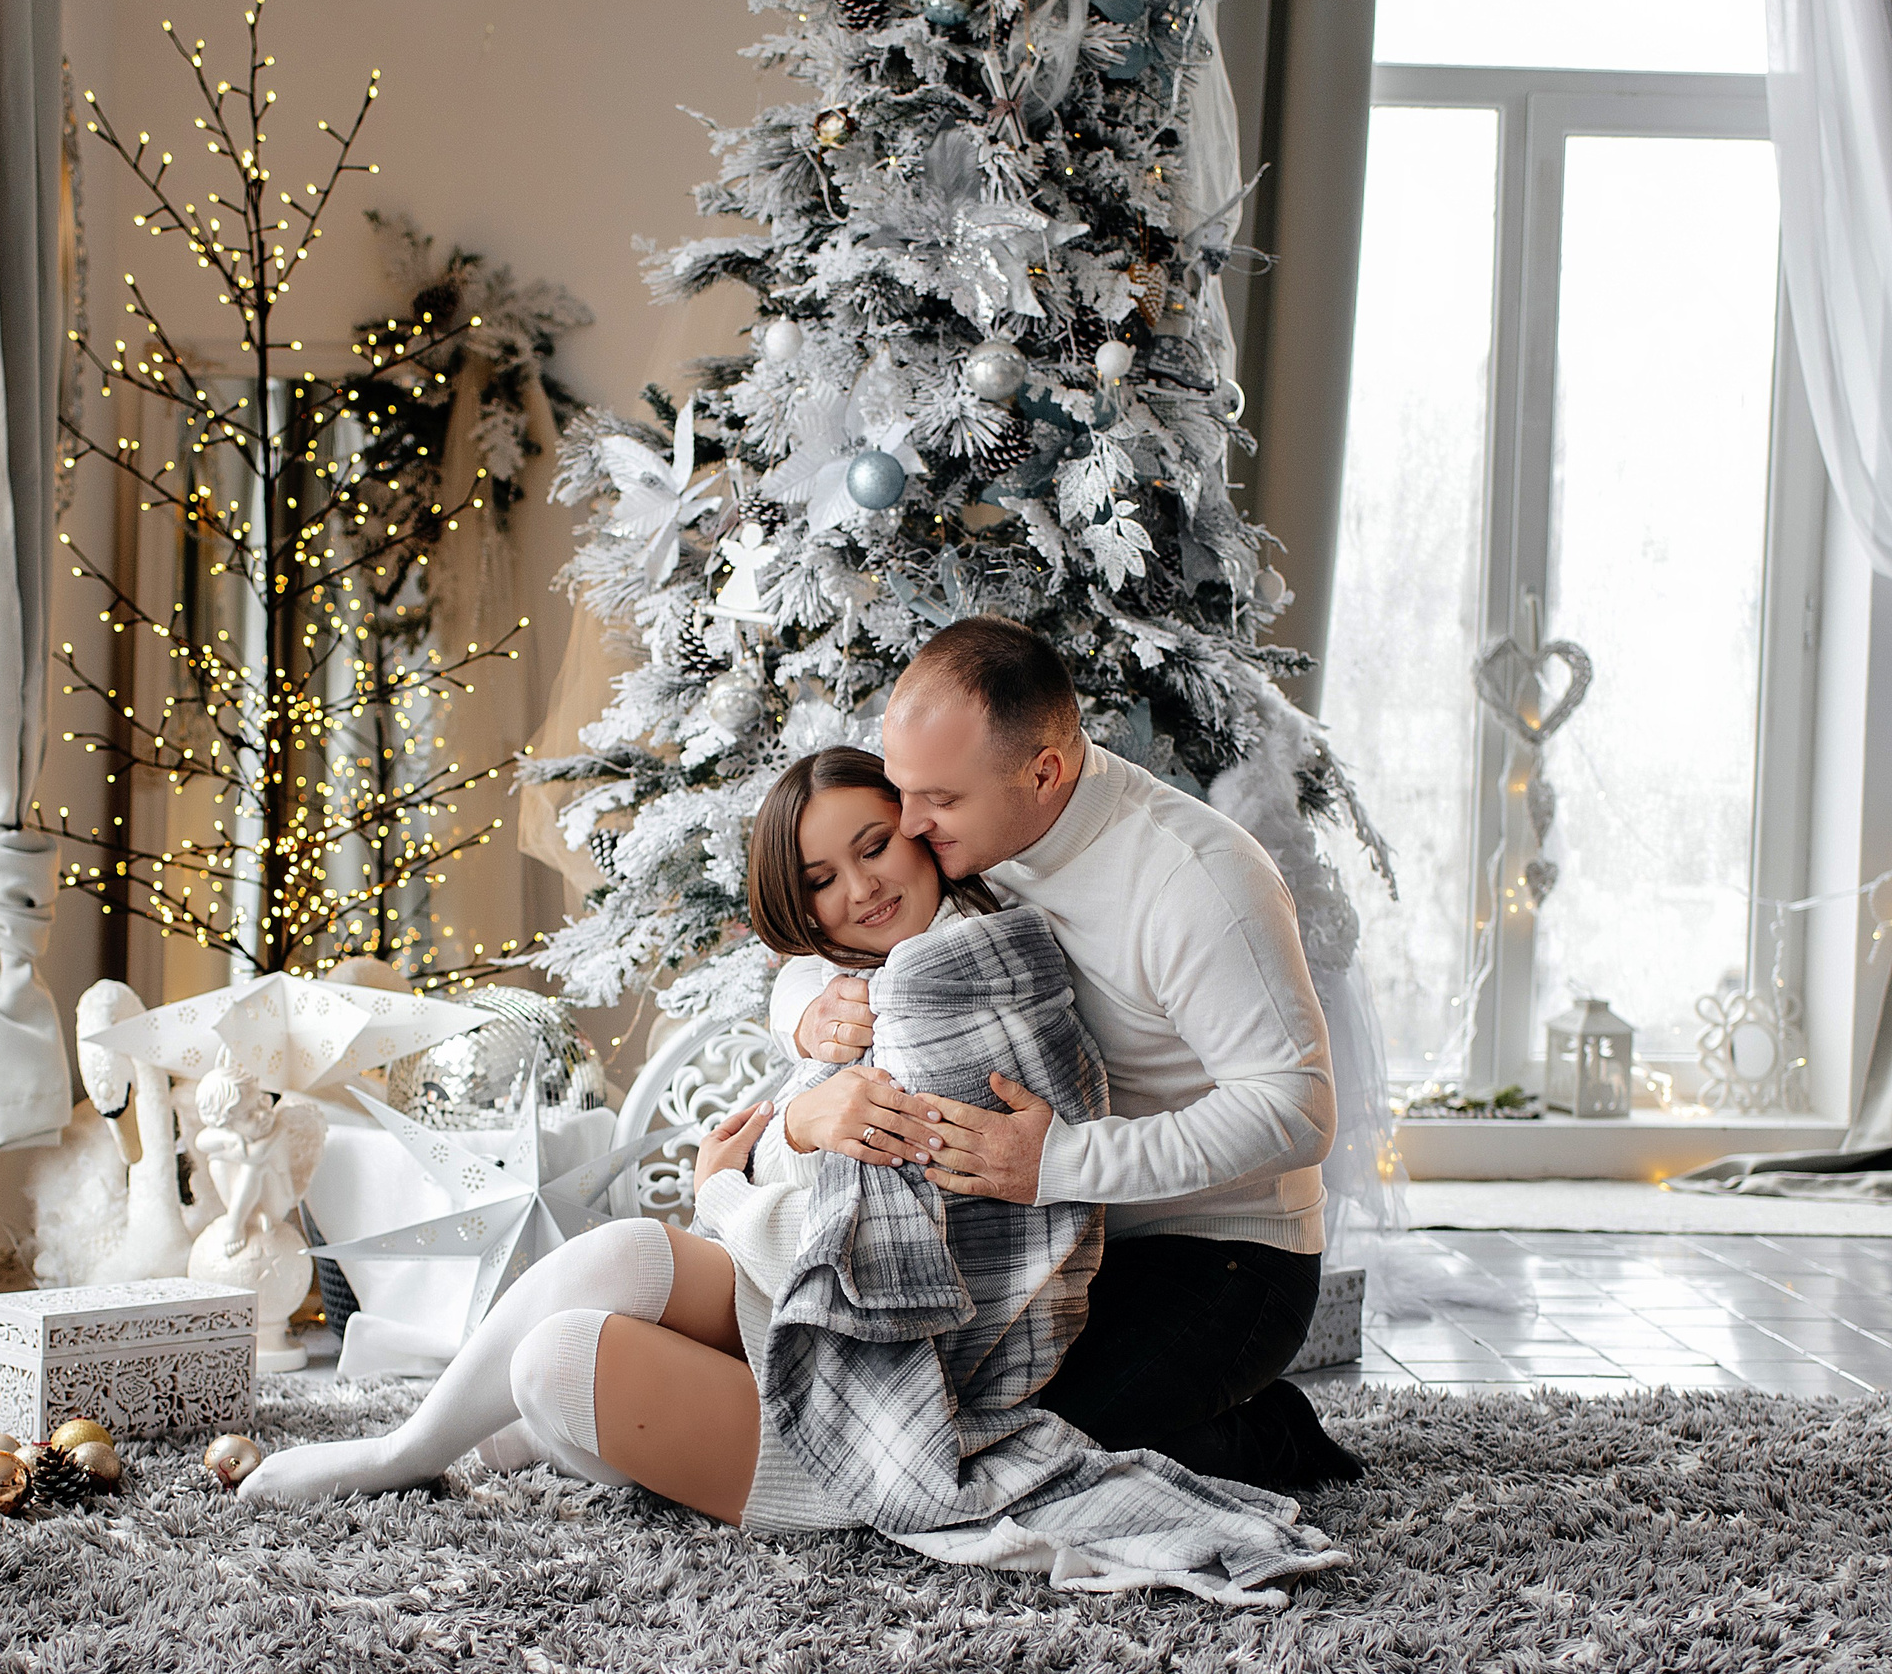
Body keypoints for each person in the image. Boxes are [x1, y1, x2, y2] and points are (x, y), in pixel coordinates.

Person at [241, 749, 1344, 1603]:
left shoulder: (947, 990)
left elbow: (877, 1266)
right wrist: (802, 1105)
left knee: (561, 1360)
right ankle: (407, 1448)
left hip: (902, 1387)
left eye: (877, 846)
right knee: (623, 1257)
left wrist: (729, 1188)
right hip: (853, 1325)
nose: (860, 890)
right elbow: (819, 1130)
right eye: (821, 878)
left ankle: (504, 1438)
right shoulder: (901, 969)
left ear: (924, 832)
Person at [771, 615, 1362, 1487]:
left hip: (1226, 1254)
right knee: (938, 1426)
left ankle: (1267, 1433)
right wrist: (804, 1014)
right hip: (1059, 1238)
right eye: (901, 789)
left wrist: (1059, 1160)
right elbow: (819, 944)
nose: (906, 822)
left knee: (1031, 1456)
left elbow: (1296, 1108)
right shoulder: (967, 836)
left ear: (1044, 770)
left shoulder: (1194, 880)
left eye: (937, 798)